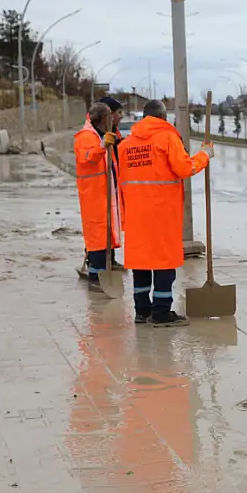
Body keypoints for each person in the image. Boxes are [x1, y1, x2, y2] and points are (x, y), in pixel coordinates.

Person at [116, 99, 213, 326]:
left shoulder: (125, 145)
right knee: (163, 263)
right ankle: (161, 312)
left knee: (141, 262)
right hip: (161, 213)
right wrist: (205, 155)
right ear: (162, 117)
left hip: (135, 212)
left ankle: (142, 311)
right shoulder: (167, 138)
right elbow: (184, 168)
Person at [73, 103, 122, 292]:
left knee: (105, 236)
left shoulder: (101, 134)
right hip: (94, 194)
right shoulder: (86, 136)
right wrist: (102, 146)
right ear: (103, 118)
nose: (113, 118)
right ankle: (96, 278)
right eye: (110, 115)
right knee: (98, 237)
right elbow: (88, 157)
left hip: (104, 193)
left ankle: (100, 275)